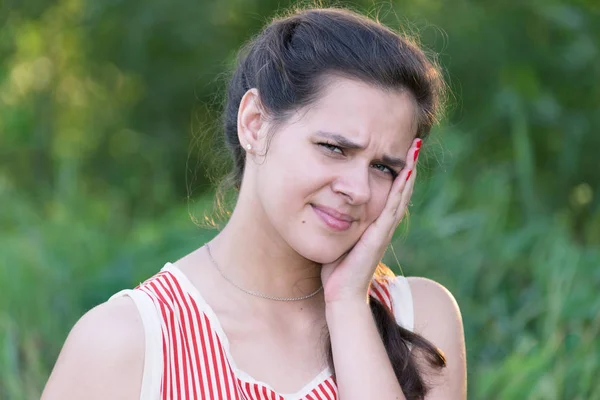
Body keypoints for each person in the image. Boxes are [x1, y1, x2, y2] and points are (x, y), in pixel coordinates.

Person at [42, 7, 466, 400]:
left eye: (384, 168)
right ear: (255, 124)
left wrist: (348, 305)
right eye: (334, 148)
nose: (358, 189)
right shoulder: (127, 342)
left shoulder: (419, 318)